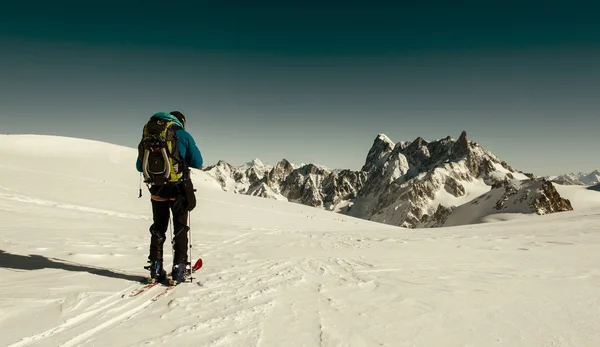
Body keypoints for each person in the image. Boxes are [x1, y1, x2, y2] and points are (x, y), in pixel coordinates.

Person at [136, 111, 203, 283]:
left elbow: (139, 166)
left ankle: (155, 268)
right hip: (178, 189)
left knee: (158, 227)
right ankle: (179, 269)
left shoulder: (149, 136)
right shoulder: (183, 135)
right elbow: (198, 162)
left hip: (157, 189)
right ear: (181, 122)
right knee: (180, 227)